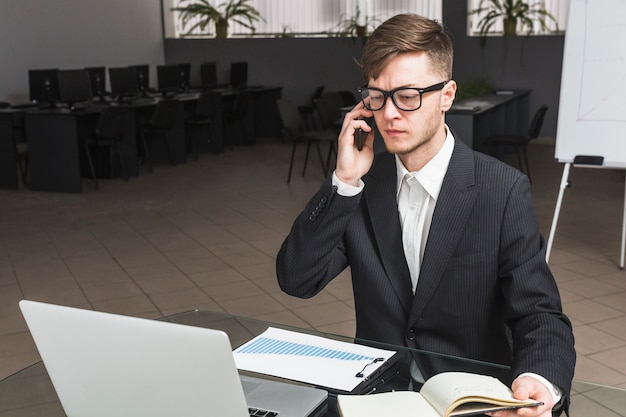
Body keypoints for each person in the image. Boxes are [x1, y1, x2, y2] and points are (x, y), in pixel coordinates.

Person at [276, 13, 575, 417]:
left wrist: (537, 379)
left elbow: (540, 315)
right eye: (377, 96)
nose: (390, 114)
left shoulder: (501, 190)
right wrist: (344, 180)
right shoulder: (360, 188)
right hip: (375, 397)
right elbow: (297, 279)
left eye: (408, 95)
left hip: (469, 401)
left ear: (447, 95)